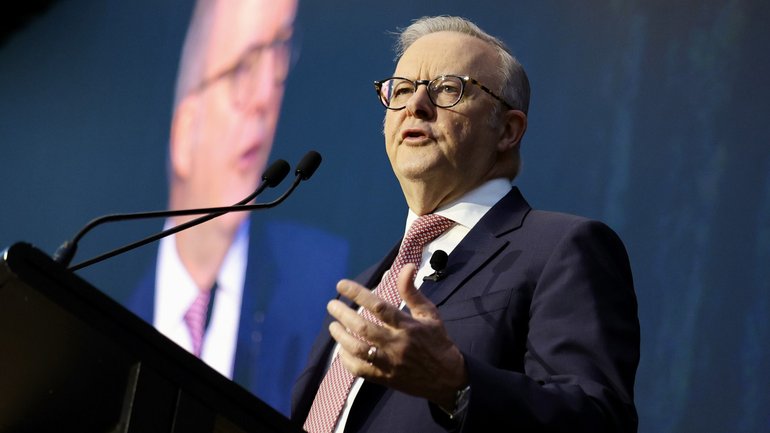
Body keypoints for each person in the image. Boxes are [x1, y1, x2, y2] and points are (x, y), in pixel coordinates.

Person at [292, 16, 639, 432]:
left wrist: (456, 385)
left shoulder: (561, 249)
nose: (416, 106)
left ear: (508, 130)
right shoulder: (367, 290)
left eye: (447, 89)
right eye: (401, 90)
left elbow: (598, 421)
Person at [126, 0, 348, 416]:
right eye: (243, 69)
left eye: (280, 54)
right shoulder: (108, 303)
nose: (266, 95)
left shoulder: (321, 284)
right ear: (185, 130)